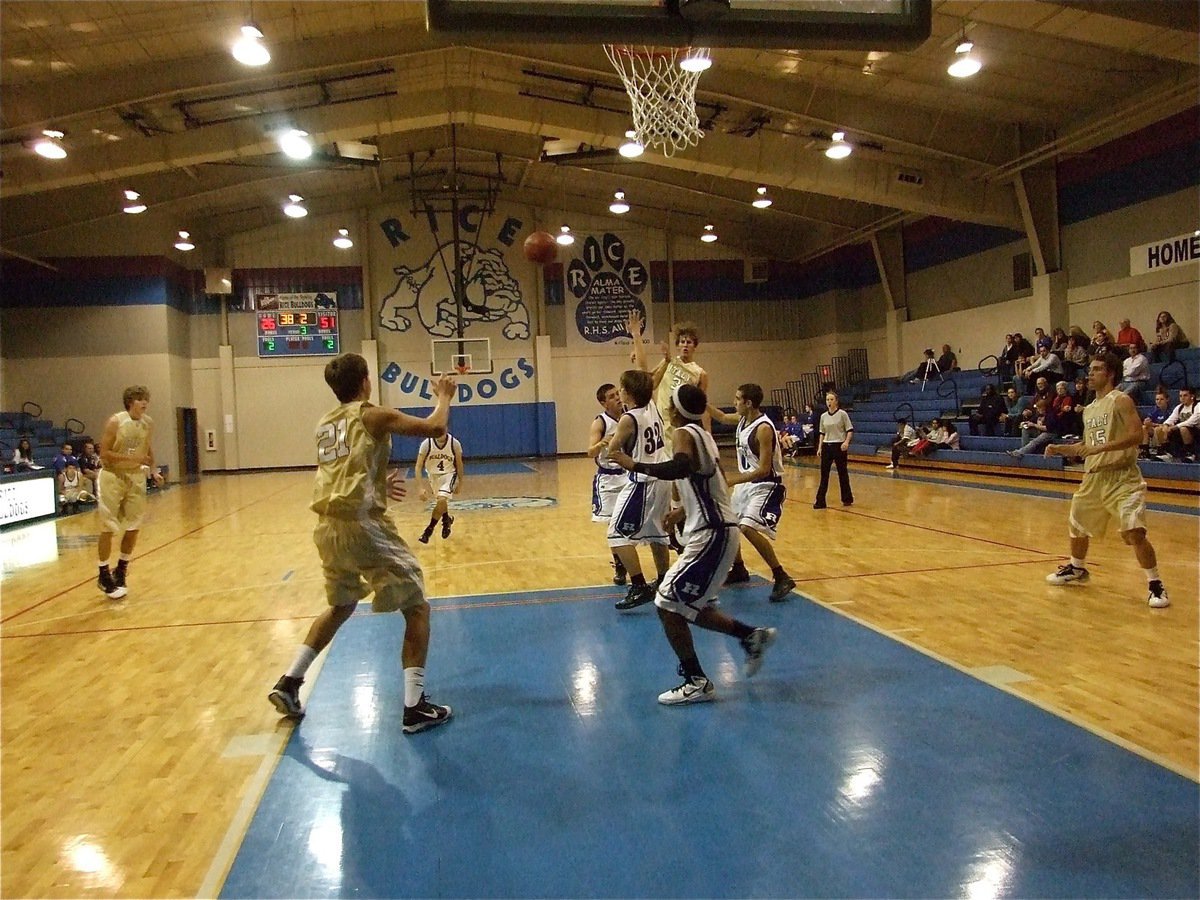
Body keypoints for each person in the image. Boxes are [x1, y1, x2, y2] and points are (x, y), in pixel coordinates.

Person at [268, 353, 456, 732]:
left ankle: (290, 680)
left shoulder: (325, 423)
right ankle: (414, 706)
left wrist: (374, 484)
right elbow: (435, 428)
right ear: (366, 381)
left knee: (341, 605)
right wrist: (445, 396)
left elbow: (341, 470)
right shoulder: (373, 414)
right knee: (417, 607)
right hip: (361, 526)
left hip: (327, 527)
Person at [607, 383, 777, 705]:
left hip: (711, 534)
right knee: (683, 605)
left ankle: (696, 680)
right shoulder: (706, 438)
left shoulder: (685, 433)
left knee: (665, 603)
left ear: (675, 409)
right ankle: (749, 636)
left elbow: (681, 466)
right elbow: (713, 483)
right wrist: (683, 510)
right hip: (715, 530)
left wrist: (635, 465)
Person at [1045, 354, 1170, 609]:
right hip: (1094, 477)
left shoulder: (1121, 400)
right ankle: (1077, 568)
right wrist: (1060, 449)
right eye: (1089, 370)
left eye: (1097, 369)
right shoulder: (1089, 408)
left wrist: (1101, 448)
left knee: (1134, 532)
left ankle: (1155, 583)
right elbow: (1088, 446)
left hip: (1122, 476)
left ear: (1110, 373)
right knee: (1077, 524)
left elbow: (1138, 436)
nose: (1090, 374)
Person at [709, 384, 797, 603]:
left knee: (747, 527)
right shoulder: (742, 420)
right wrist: (698, 398)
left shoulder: (763, 428)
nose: (734, 401)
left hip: (767, 485)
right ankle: (738, 568)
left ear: (748, 403)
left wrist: (731, 480)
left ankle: (781, 575)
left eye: (738, 398)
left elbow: (764, 469)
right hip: (747, 485)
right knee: (729, 525)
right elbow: (719, 416)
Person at [606, 368, 672, 612]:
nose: (619, 392)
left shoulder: (628, 418)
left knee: (616, 535)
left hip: (642, 480)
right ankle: (665, 579)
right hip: (662, 476)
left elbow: (612, 452)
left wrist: (608, 448)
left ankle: (639, 585)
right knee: (656, 532)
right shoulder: (652, 406)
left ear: (629, 393)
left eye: (621, 388)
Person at [96, 386, 164, 600]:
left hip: (135, 477)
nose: (144, 403)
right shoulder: (116, 422)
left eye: (146, 399)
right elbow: (104, 453)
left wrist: (153, 470)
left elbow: (147, 447)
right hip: (112, 476)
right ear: (129, 402)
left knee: (134, 527)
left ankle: (122, 568)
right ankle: (103, 573)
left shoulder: (148, 423)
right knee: (108, 527)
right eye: (139, 399)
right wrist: (134, 460)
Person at [587, 381, 630, 585]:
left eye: (617, 394)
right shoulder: (600, 422)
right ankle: (620, 565)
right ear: (604, 403)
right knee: (614, 525)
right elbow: (590, 452)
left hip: (629, 474)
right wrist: (604, 441)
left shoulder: (629, 416)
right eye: (612, 396)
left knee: (628, 523)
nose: (617, 398)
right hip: (608, 478)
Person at [649, 320, 708, 444]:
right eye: (682, 342)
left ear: (694, 346)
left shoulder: (700, 373)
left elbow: (701, 405)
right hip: (661, 417)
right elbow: (650, 376)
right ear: (677, 345)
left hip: (680, 420)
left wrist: (707, 434)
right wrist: (636, 355)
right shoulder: (668, 361)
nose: (685, 345)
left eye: (689, 342)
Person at [414, 430, 464, 543]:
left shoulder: (454, 443)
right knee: (442, 502)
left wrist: (460, 483)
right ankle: (446, 520)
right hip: (433, 476)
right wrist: (420, 487)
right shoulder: (426, 444)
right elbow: (418, 467)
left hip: (449, 475)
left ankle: (428, 530)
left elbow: (460, 465)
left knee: (441, 500)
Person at [1008, 381, 1078, 458]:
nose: (1037, 410)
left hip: (1052, 432)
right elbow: (1032, 420)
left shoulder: (1050, 414)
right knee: (1025, 429)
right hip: (1042, 431)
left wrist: (1034, 425)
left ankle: (1020, 452)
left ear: (1043, 408)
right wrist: (1025, 423)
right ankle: (1024, 451)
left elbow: (1048, 428)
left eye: (1038, 409)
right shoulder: (1039, 413)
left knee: (1035, 441)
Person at [813, 390, 853, 509]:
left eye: (831, 399)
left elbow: (849, 430)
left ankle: (847, 498)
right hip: (827, 446)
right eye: (827, 400)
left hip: (839, 446)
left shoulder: (842, 414)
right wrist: (820, 447)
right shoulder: (823, 416)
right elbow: (822, 433)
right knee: (824, 474)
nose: (829, 402)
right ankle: (820, 501)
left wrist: (846, 442)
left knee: (842, 473)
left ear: (836, 401)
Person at [1152, 386, 1198, 462]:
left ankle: (1190, 453)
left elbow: (1192, 421)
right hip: (1181, 431)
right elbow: (1171, 419)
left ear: (1192, 396)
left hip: (1196, 431)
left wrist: (1175, 427)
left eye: (1185, 395)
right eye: (1180, 396)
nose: (1182, 398)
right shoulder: (1179, 407)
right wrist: (1166, 425)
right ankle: (1167, 452)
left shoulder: (1198, 405)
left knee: (1183, 428)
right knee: (1160, 428)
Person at [1139, 388, 1173, 459]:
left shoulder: (1170, 411)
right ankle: (1145, 451)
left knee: (1158, 429)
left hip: (1167, 431)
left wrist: (1153, 424)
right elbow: (1148, 421)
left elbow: (1168, 424)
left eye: (1161, 399)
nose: (1159, 401)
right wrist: (1147, 422)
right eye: (1157, 399)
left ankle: (1162, 450)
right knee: (1144, 427)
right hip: (1154, 430)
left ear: (1167, 400)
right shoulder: (1155, 411)